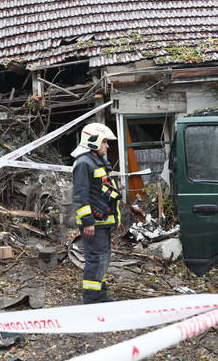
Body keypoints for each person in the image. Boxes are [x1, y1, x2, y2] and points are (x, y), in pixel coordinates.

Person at [71, 122, 122, 304]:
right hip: (94, 224)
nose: (107, 146)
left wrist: (115, 189)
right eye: (105, 142)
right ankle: (91, 299)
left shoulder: (95, 161)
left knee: (103, 259)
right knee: (96, 260)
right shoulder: (84, 163)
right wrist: (88, 222)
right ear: (93, 141)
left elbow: (97, 188)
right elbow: (80, 195)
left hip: (102, 223)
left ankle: (100, 294)